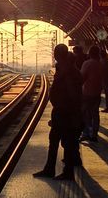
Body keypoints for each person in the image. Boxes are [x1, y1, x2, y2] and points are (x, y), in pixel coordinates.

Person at [34, 46, 83, 180]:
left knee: (66, 142)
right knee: (56, 140)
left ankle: (67, 172)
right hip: (61, 112)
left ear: (59, 55)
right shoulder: (65, 69)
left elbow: (72, 93)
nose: (55, 55)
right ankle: (50, 168)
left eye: (56, 53)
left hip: (65, 112)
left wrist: (71, 112)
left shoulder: (68, 71)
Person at [79, 47, 103, 143]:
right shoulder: (100, 64)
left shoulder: (87, 63)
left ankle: (86, 133)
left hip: (87, 92)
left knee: (85, 114)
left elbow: (82, 77)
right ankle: (94, 134)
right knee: (95, 113)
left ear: (90, 53)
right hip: (97, 92)